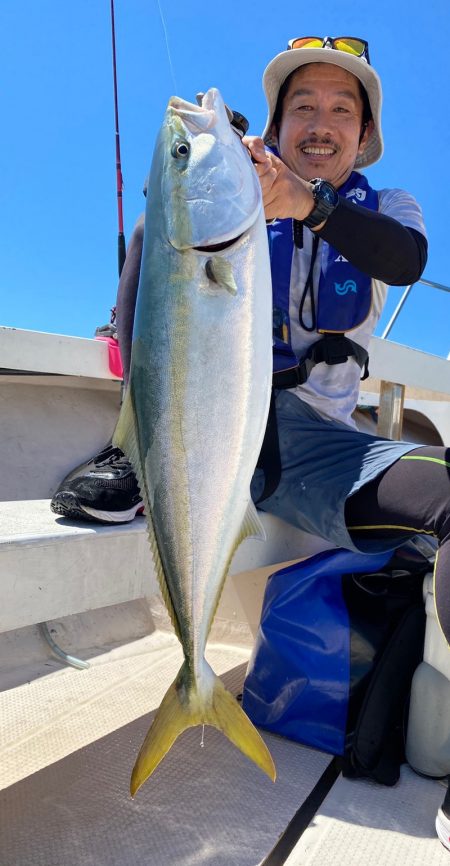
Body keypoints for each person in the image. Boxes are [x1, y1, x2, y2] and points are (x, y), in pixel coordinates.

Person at [51, 36, 450, 847]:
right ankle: (137, 456)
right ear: (273, 125)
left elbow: (403, 260)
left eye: (343, 109)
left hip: (321, 448)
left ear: (363, 135)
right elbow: (175, 262)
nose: (321, 122)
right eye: (303, 104)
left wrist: (309, 206)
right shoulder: (236, 192)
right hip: (209, 418)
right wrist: (216, 172)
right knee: (158, 228)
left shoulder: (389, 207)